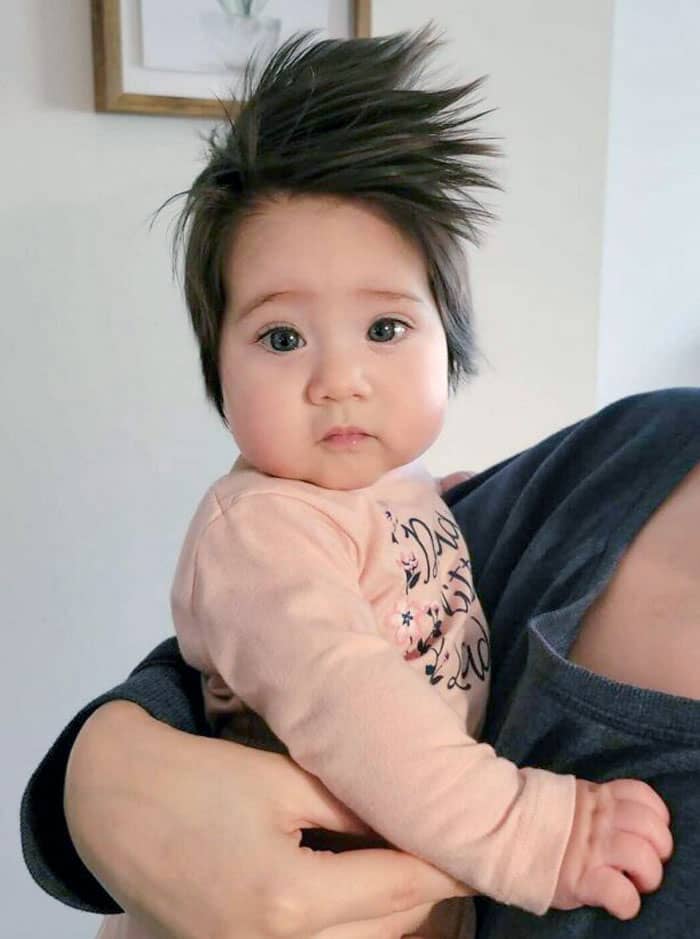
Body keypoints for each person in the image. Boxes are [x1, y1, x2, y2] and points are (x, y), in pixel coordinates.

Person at [20, 25, 700, 939]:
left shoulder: (402, 491)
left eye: (384, 329)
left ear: (448, 342)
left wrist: (445, 509)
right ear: (217, 369)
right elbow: (353, 705)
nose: (338, 378)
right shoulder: (260, 532)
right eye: (282, 337)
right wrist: (540, 834)